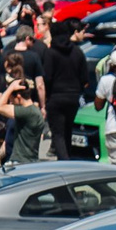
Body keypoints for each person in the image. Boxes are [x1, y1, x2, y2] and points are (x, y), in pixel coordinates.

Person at [40, 22, 91, 160]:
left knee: (58, 133)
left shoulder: (50, 53)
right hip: (73, 97)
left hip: (55, 98)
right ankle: (68, 159)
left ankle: (64, 161)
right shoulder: (77, 52)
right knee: (68, 131)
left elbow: (47, 78)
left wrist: (45, 100)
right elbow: (84, 78)